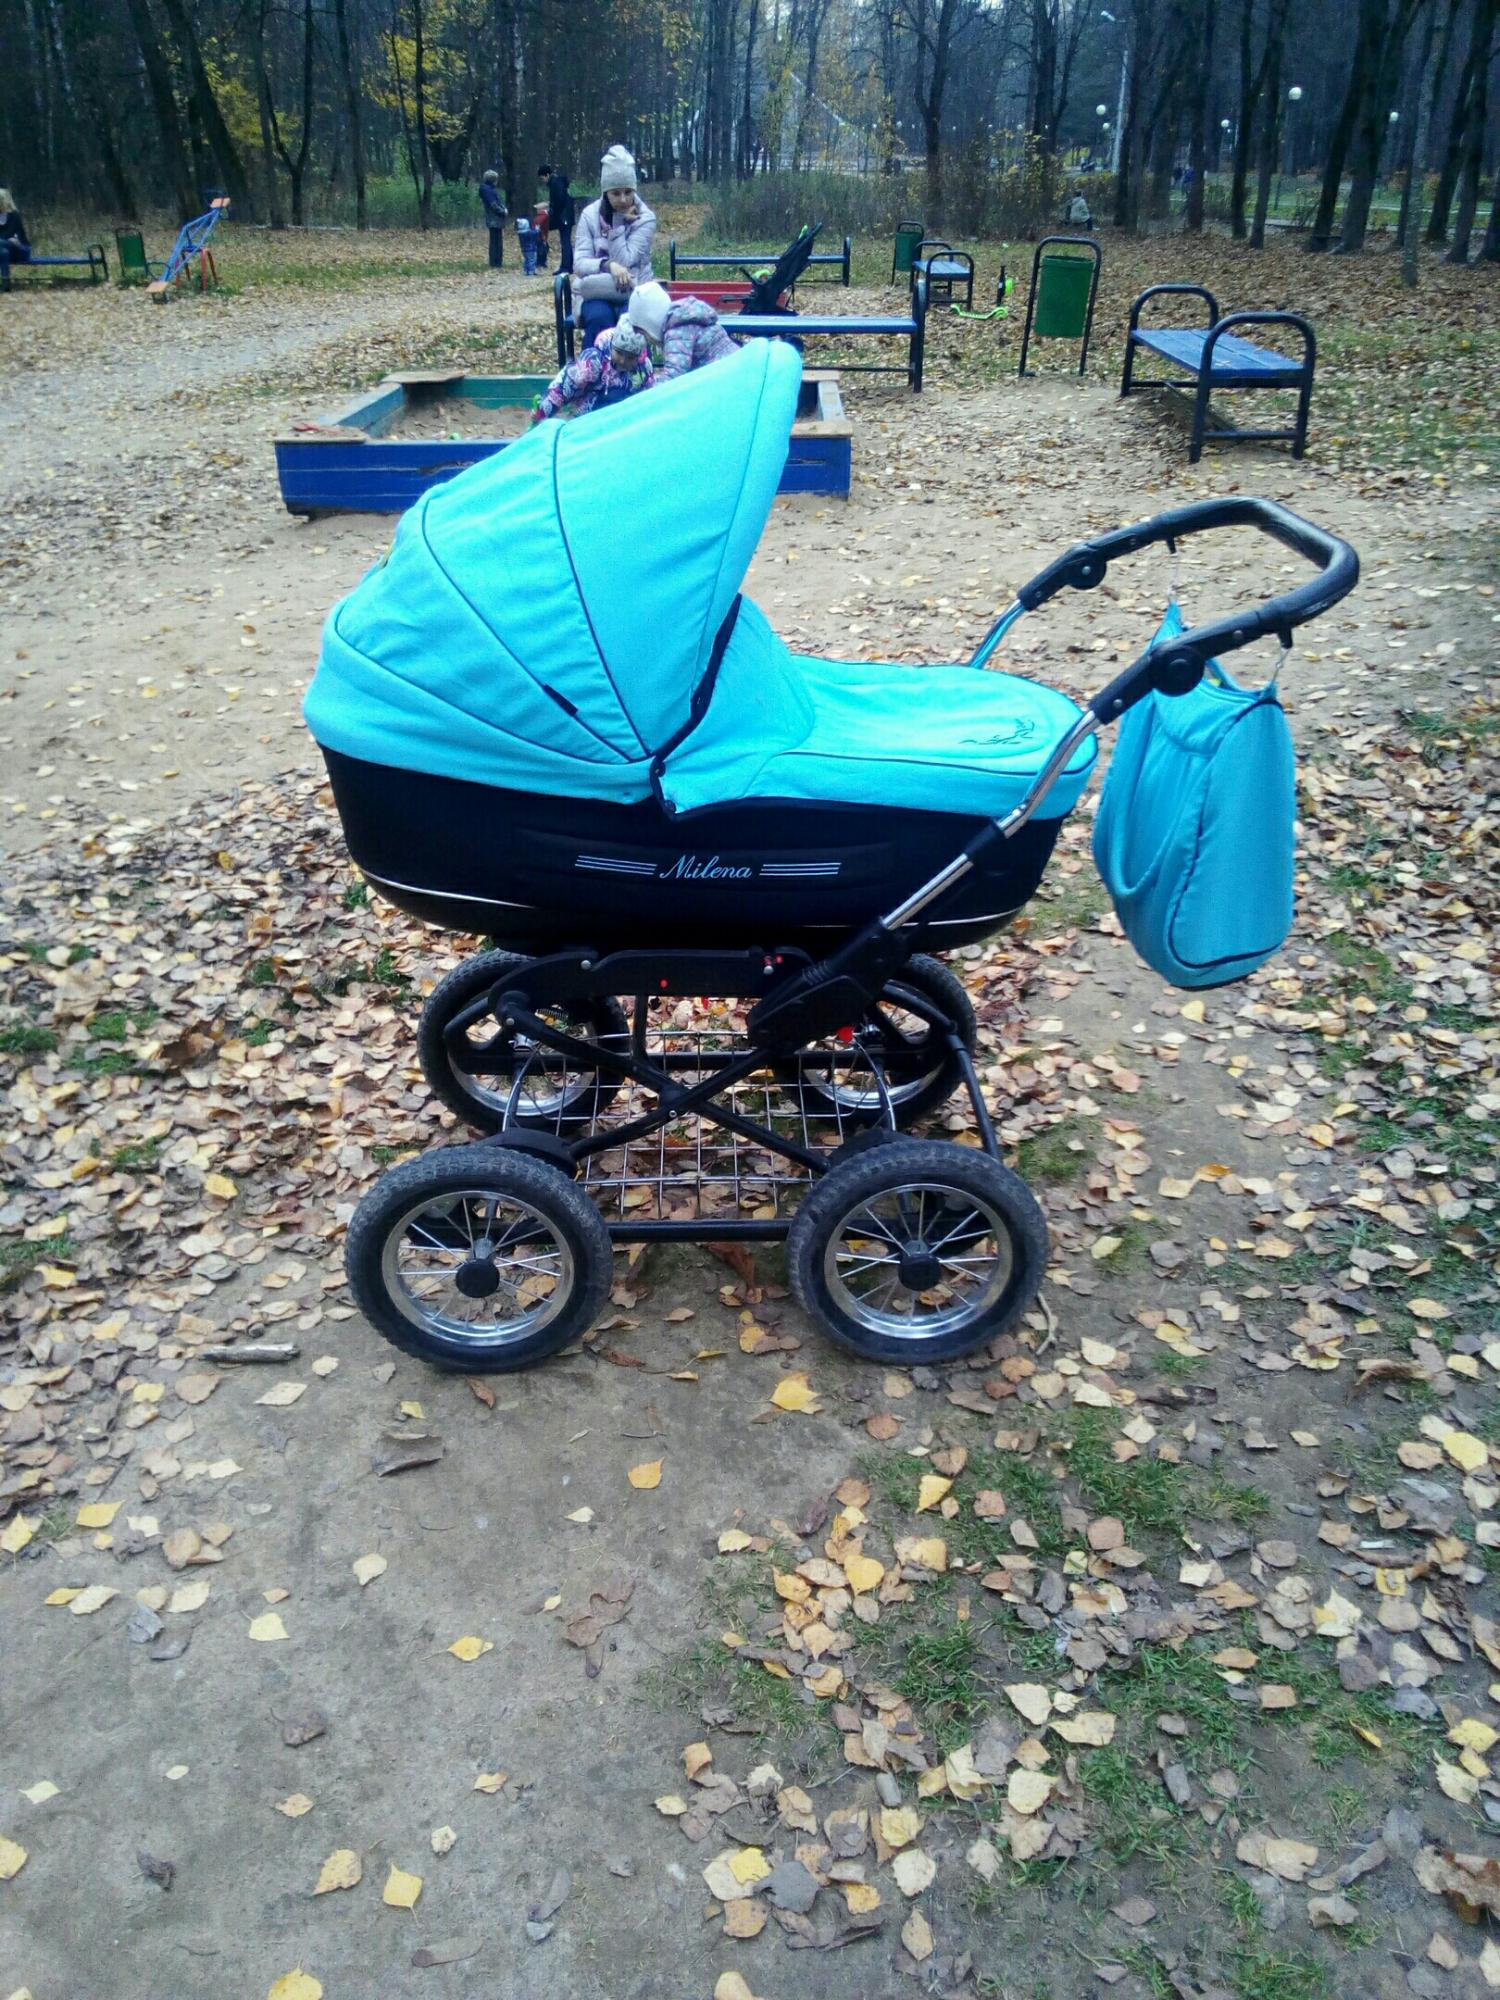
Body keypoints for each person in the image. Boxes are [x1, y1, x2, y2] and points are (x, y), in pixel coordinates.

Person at [571, 145, 656, 349]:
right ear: (605, 192)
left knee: (630, 322)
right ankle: (592, 366)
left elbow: (626, 261)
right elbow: (579, 263)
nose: (623, 199)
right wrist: (608, 265)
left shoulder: (646, 219)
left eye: (628, 192)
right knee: (599, 318)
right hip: (597, 291)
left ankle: (637, 368)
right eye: (616, 193)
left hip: (633, 290)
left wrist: (617, 223)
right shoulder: (589, 215)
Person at [532, 317, 655, 422]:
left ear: (639, 356)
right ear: (612, 346)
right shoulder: (592, 363)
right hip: (588, 418)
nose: (623, 360)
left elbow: (649, 400)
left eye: (630, 357)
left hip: (623, 419)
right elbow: (562, 389)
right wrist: (541, 414)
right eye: (619, 353)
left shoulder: (644, 369)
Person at [627, 281, 738, 381]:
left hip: (725, 376)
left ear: (651, 323)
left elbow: (674, 376)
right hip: (733, 365)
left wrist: (650, 394)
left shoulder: (677, 332)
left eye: (644, 334)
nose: (647, 340)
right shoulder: (686, 318)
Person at [540, 163, 574, 272]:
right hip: (566, 216)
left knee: (565, 242)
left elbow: (559, 201)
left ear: (547, 175)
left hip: (564, 217)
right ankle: (569, 266)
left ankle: (565, 267)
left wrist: (551, 210)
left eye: (542, 178)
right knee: (566, 241)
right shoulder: (558, 182)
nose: (543, 181)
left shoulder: (555, 183)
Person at [0, 190, 32, 290]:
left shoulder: (15, 216)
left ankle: (5, 283)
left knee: (2, 245)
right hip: (3, 251)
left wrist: (12, 240)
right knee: (3, 252)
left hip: (20, 250)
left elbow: (15, 238)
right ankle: (6, 285)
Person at [479, 170, 507, 269]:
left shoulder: (488, 189)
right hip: (494, 219)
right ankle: (496, 262)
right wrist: (503, 211)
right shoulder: (488, 191)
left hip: (493, 218)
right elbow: (494, 205)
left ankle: (496, 262)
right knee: (496, 242)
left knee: (496, 241)